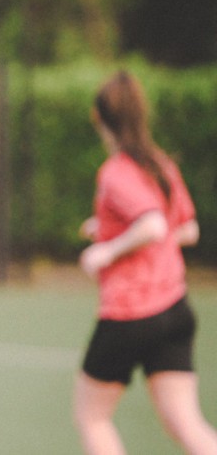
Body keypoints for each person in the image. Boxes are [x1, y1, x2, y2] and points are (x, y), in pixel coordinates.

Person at [74, 71, 217, 455]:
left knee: (92, 417)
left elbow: (152, 225)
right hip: (174, 309)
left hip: (130, 314)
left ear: (99, 118)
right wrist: (106, 229)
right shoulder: (161, 166)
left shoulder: (116, 172)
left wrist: (106, 251)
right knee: (188, 426)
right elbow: (185, 229)